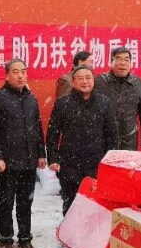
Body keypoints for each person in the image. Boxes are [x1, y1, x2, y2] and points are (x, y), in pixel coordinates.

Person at [0, 59, 46, 248]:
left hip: (29, 160)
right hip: (7, 162)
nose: (21, 75)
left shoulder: (31, 98)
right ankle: (6, 240)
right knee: (6, 203)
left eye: (23, 71)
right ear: (7, 75)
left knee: (26, 203)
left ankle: (25, 240)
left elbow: (37, 127)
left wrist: (41, 153)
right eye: (16, 72)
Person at [47, 65, 118, 215]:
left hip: (95, 164)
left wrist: (108, 161)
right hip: (69, 164)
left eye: (88, 78)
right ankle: (70, 230)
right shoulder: (63, 103)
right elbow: (53, 133)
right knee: (71, 205)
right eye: (80, 78)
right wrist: (53, 159)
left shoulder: (104, 102)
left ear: (93, 80)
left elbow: (112, 135)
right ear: (73, 82)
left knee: (94, 207)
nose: (85, 81)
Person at [94, 47, 141, 150]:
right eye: (119, 59)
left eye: (126, 59)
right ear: (111, 62)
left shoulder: (138, 83)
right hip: (104, 140)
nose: (123, 63)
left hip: (129, 141)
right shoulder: (99, 82)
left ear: (130, 64)